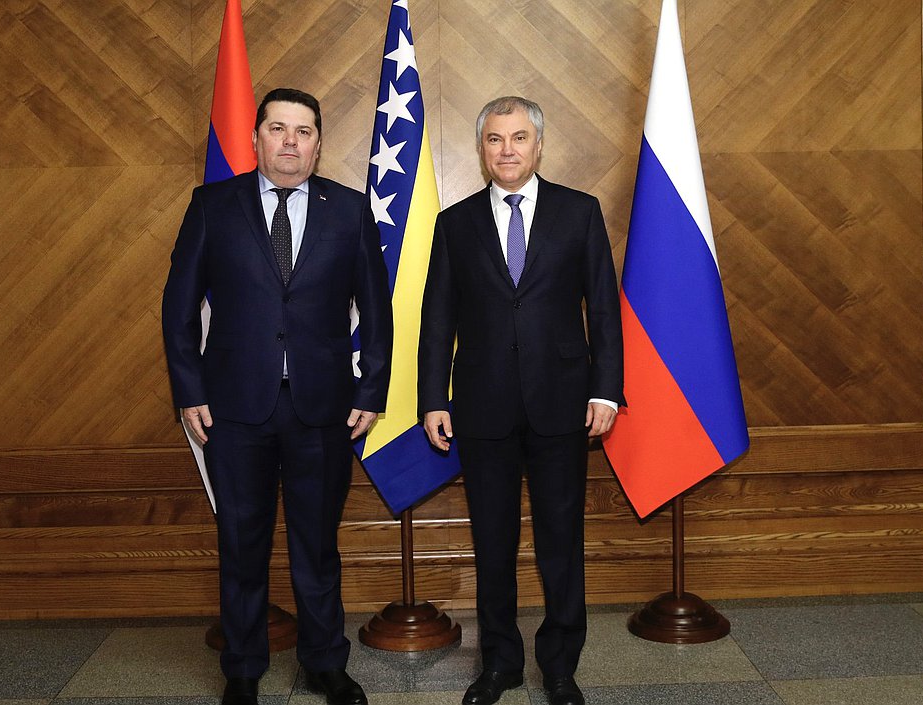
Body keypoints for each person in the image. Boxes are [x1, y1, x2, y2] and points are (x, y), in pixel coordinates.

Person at [162, 88, 393, 705]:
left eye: (304, 131)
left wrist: (372, 388)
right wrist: (189, 390)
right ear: (257, 138)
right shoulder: (213, 205)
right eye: (278, 128)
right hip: (233, 409)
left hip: (325, 408)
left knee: (316, 545)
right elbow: (179, 308)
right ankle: (242, 668)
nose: (291, 141)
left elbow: (376, 308)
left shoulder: (349, 210)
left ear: (319, 143)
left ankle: (325, 663)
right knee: (242, 541)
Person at [418, 96, 623, 705]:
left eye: (519, 138)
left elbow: (605, 311)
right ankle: (500, 664)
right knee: (493, 542)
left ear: (539, 146)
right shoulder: (454, 224)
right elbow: (437, 320)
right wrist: (434, 398)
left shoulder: (579, 212)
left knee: (562, 541)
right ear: (482, 150)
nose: (507, 150)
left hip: (563, 405)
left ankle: (561, 666)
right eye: (495, 140)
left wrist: (606, 389)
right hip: (481, 410)